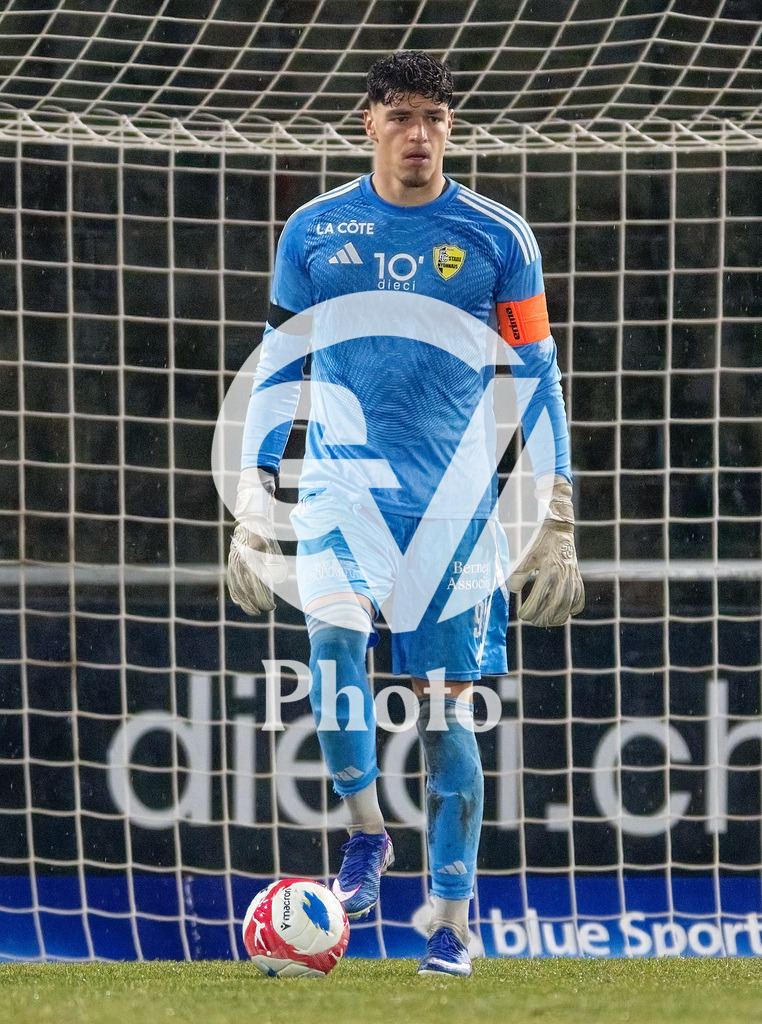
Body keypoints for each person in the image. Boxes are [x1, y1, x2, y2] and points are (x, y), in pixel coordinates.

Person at [227, 51, 584, 977]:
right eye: (401, 117)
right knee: (333, 643)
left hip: (455, 513)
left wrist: (557, 507)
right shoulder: (315, 231)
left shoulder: (498, 238)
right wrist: (254, 495)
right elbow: (280, 360)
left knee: (448, 723)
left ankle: (452, 930)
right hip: (342, 491)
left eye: (434, 117)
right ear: (368, 123)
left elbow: (536, 377)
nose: (419, 134)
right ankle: (365, 835)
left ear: (450, 127)